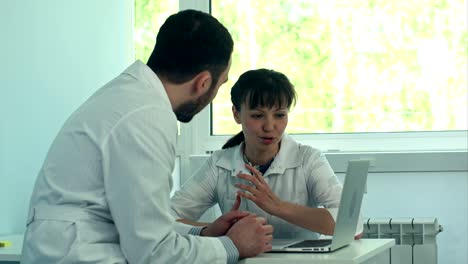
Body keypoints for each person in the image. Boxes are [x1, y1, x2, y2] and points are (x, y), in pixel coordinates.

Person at [21, 10, 273, 264]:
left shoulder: (129, 97)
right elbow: (154, 252)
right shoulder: (147, 117)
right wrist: (232, 246)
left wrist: (203, 232)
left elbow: (138, 222)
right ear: (203, 83)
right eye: (219, 85)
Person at [171, 69, 363, 240]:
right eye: (257, 115)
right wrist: (211, 230)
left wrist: (279, 207)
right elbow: (163, 220)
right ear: (236, 114)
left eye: (279, 115)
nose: (269, 127)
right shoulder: (219, 164)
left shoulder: (308, 159)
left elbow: (353, 225)